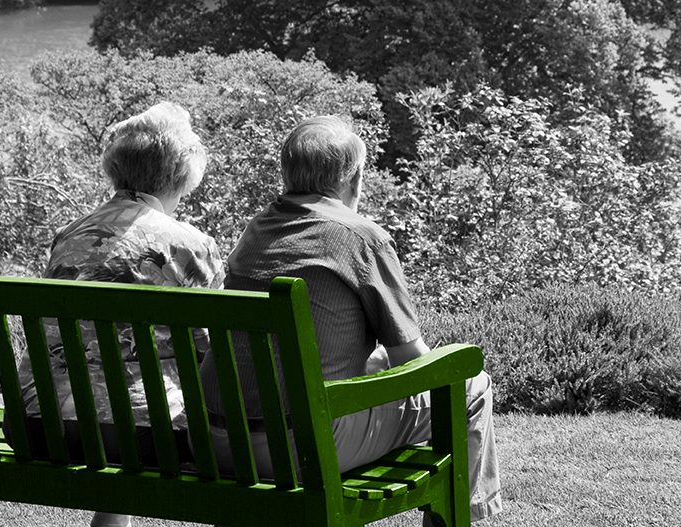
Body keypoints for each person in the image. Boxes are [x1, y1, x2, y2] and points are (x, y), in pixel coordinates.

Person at [203, 116, 502, 521]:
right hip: (301, 448)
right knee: (470, 385)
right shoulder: (361, 237)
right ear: (353, 179)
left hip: (220, 441)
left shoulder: (255, 231)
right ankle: (457, 519)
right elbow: (412, 363)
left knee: (368, 368)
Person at [15, 102, 221, 527]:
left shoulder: (69, 235)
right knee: (144, 398)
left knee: (118, 386)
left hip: (36, 424)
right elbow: (212, 351)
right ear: (181, 174)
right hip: (138, 433)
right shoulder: (190, 244)